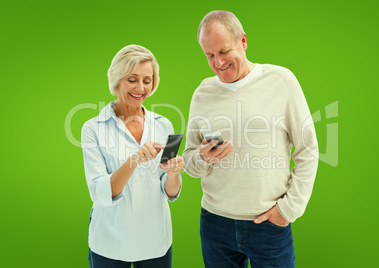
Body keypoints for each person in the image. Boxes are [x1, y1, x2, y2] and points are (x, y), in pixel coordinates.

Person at [183, 11, 319, 268]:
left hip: (268, 224)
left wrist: (288, 210)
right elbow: (189, 160)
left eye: (223, 51)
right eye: (209, 55)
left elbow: (308, 149)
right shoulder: (203, 92)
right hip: (215, 224)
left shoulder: (281, 80)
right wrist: (202, 157)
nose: (217, 62)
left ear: (243, 41)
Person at [81, 44, 184, 268]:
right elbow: (99, 192)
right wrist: (134, 160)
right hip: (109, 242)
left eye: (147, 81)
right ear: (116, 79)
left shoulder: (164, 124)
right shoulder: (92, 128)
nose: (140, 88)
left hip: (156, 242)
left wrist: (174, 173)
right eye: (132, 79)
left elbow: (170, 192)